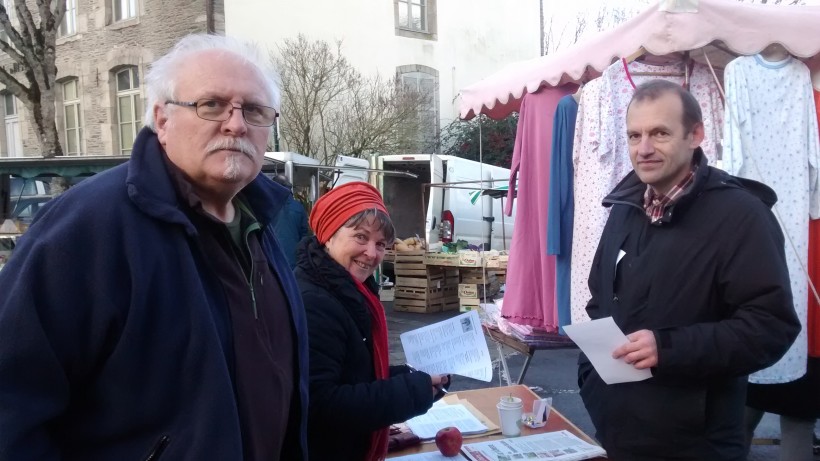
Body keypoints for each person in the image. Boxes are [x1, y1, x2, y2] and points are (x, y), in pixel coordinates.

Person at [0, 34, 309, 460]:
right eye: (212, 104)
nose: (236, 124)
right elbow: (11, 409)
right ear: (162, 120)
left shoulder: (261, 224)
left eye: (254, 110)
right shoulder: (89, 227)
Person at [577, 79, 800, 461]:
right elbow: (600, 299)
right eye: (634, 135)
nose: (643, 149)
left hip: (698, 444)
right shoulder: (624, 208)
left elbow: (770, 327)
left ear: (695, 134)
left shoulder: (742, 216)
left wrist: (668, 348)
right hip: (619, 431)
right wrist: (592, 381)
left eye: (659, 133)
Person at [295, 181, 448, 461]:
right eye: (361, 237)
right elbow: (322, 405)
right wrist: (412, 391)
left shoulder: (348, 290)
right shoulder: (314, 302)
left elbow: (353, 373)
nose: (372, 253)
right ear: (328, 234)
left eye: (380, 244)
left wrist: (415, 379)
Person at [272, 174, 310, 269]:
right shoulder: (299, 207)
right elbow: (305, 234)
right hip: (295, 260)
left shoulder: (267, 207)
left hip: (273, 258)